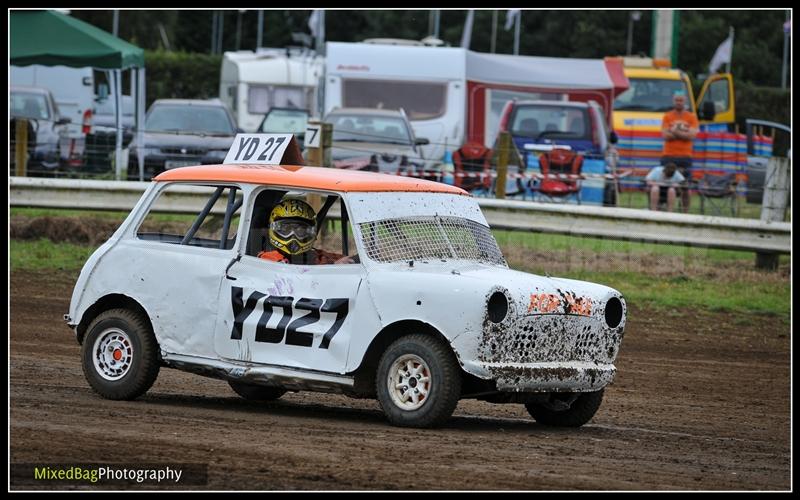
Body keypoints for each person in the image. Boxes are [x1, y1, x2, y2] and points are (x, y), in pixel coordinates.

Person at [258, 198, 355, 265]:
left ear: (311, 232)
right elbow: (289, 273)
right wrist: (333, 266)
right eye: (286, 229)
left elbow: (344, 260)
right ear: (273, 228)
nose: (293, 236)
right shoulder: (267, 257)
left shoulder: (314, 254)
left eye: (300, 230)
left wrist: (351, 261)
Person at [661, 91, 699, 213]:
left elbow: (692, 135)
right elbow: (665, 135)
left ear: (685, 101)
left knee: (686, 186)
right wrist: (683, 133)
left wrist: (674, 131)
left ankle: (685, 212)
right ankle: (665, 209)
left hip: (685, 157)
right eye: (677, 100)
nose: (679, 102)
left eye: (681, 100)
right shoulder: (667, 116)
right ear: (673, 101)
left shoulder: (691, 117)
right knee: (664, 184)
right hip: (668, 156)